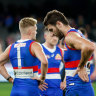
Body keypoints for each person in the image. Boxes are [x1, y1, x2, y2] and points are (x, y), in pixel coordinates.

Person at [43, 10, 95, 96]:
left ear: (59, 24)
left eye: (52, 29)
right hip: (82, 87)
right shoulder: (76, 34)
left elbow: (89, 46)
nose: (53, 33)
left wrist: (81, 66)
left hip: (76, 88)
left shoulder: (70, 37)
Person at [0, 17, 48, 96]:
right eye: (35, 30)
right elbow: (44, 61)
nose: (36, 32)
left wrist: (10, 79)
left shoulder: (11, 47)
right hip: (30, 89)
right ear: (30, 31)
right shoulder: (34, 45)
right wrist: (42, 78)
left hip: (15, 89)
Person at [38, 29, 66, 96]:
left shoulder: (61, 51)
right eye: (53, 36)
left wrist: (65, 81)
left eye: (57, 36)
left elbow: (69, 66)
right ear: (45, 36)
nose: (55, 38)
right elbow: (28, 66)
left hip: (57, 87)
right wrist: (35, 82)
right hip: (42, 87)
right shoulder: (38, 49)